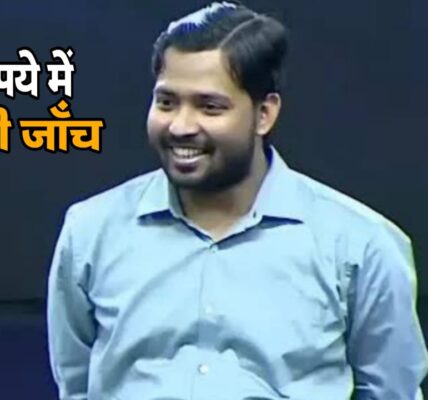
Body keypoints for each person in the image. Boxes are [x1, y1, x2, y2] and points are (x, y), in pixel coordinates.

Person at [47, 2, 428, 399]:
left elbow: (391, 391)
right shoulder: (91, 231)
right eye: (166, 102)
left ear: (264, 114)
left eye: (210, 107)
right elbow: (76, 385)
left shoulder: (361, 245)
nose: (181, 125)